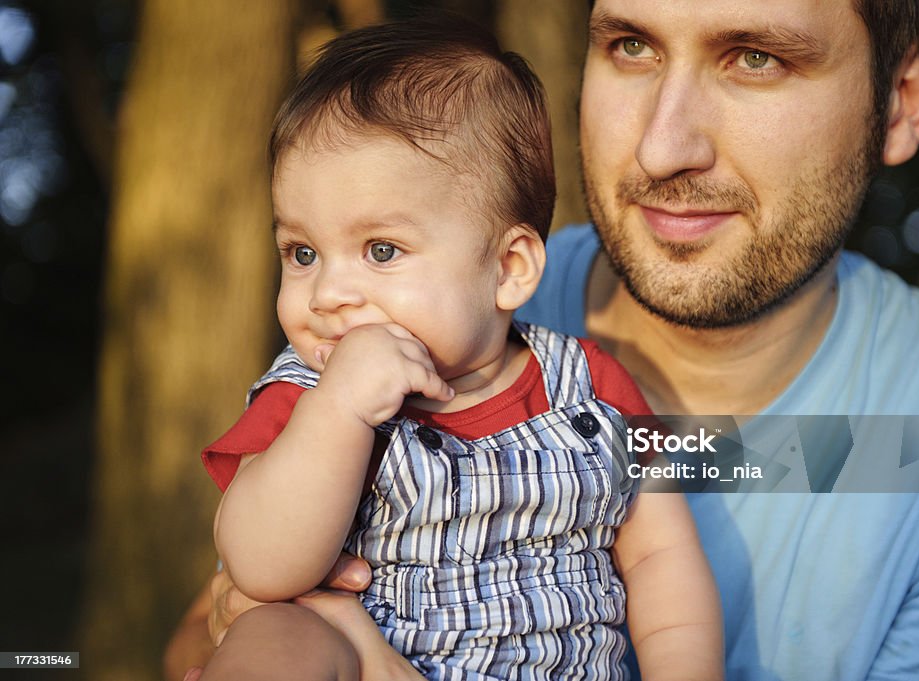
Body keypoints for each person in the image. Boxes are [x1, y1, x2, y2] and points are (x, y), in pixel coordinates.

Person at [166, 0, 919, 679]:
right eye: (631, 46)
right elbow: (199, 639)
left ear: (902, 101)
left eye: (756, 57)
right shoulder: (397, 323)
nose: (665, 143)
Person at [192, 15, 722, 681]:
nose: (327, 291)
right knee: (276, 632)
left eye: (380, 250)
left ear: (508, 269)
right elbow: (261, 565)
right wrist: (340, 411)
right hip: (361, 654)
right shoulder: (302, 393)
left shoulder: (594, 387)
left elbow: (659, 556)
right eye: (302, 252)